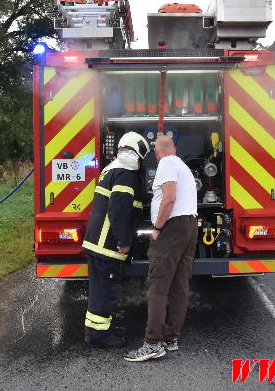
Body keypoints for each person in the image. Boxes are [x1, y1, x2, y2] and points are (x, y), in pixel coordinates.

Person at [124, 135, 198, 362]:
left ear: (157, 153)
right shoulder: (182, 166)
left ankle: (152, 343)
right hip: (189, 225)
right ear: (173, 148)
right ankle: (170, 337)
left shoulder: (166, 163)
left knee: (157, 286)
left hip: (172, 228)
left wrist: (157, 227)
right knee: (179, 284)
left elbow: (169, 199)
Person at [82, 131, 149, 348]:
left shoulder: (111, 169)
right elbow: (118, 210)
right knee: (105, 291)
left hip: (98, 242)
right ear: (138, 153)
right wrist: (123, 241)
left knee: (100, 289)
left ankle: (101, 329)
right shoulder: (125, 173)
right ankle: (99, 336)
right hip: (107, 244)